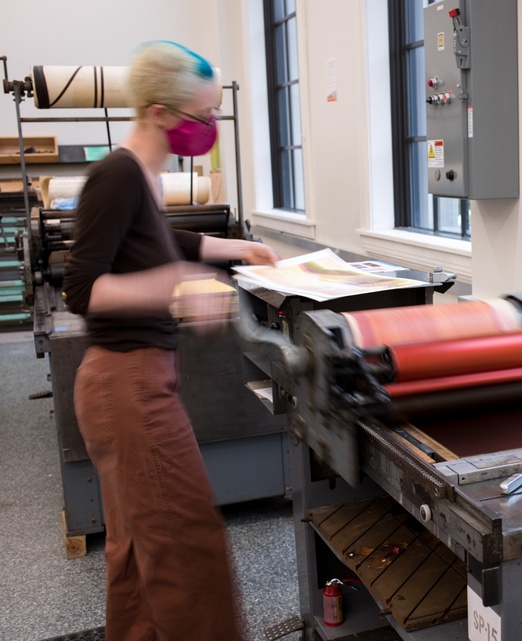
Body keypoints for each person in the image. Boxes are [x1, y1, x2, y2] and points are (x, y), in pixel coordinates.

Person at [61, 41, 278, 640]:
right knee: (187, 551)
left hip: (133, 381)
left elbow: (163, 243)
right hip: (126, 385)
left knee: (140, 554)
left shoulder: (145, 176)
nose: (207, 128)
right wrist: (175, 288)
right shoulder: (118, 174)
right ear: (160, 113)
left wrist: (236, 251)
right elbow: (83, 287)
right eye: (201, 117)